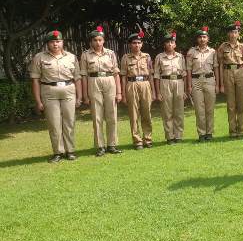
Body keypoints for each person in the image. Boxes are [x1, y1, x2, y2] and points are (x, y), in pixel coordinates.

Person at [29, 30, 82, 163]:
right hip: (49, 91)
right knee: (54, 123)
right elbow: (35, 80)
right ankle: (58, 152)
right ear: (47, 43)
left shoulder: (71, 57)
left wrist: (79, 97)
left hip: (68, 90)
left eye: (58, 41)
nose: (55, 44)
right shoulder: (39, 57)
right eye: (52, 42)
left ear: (62, 42)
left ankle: (70, 151)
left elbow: (77, 78)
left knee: (69, 122)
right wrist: (38, 101)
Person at [80, 26, 122, 156]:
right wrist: (85, 95)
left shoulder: (110, 53)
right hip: (94, 81)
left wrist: (119, 92)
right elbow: (84, 75)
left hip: (109, 81)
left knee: (112, 115)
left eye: (100, 40)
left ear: (104, 41)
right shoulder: (85, 55)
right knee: (97, 116)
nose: (98, 43)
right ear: (91, 42)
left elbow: (116, 73)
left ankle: (112, 144)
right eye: (95, 40)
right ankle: (100, 146)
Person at [120, 30, 155, 149]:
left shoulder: (147, 57)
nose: (137, 45)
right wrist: (124, 94)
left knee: (147, 113)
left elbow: (151, 75)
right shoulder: (125, 58)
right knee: (134, 114)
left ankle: (148, 139)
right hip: (132, 84)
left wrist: (153, 91)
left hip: (145, 84)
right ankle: (137, 140)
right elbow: (123, 77)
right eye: (134, 43)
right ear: (130, 45)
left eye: (139, 43)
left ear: (142, 44)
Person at [186, 26, 219, 142]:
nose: (202, 39)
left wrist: (218, 84)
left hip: (210, 80)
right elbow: (188, 70)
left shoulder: (213, 52)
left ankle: (209, 133)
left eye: (204, 37)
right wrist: (189, 86)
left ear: (208, 39)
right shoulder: (191, 52)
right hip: (196, 81)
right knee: (199, 109)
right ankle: (201, 133)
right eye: (200, 37)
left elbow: (216, 68)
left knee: (210, 109)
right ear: (197, 39)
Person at [154, 31, 187, 144]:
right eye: (167, 42)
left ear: (175, 44)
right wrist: (158, 92)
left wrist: (185, 90)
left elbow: (184, 74)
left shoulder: (180, 57)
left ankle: (178, 136)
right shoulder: (159, 57)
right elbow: (157, 76)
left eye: (172, 42)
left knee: (179, 111)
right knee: (167, 111)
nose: (170, 44)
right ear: (164, 44)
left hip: (178, 82)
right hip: (165, 82)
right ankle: (169, 137)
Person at [218, 21, 243, 138]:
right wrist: (220, 83)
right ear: (228, 34)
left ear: (238, 34)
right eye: (231, 32)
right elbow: (220, 65)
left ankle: (241, 130)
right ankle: (232, 131)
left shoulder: (242, 47)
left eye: (235, 32)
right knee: (231, 104)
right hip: (227, 72)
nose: (233, 34)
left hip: (240, 72)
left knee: (241, 103)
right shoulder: (223, 47)